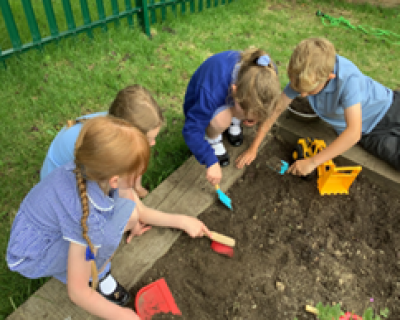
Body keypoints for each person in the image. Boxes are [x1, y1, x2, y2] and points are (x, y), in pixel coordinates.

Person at [7, 116, 211, 320]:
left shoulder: (93, 171)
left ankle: (84, 264)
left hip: (46, 228)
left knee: (127, 213)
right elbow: (77, 293)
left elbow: (138, 211)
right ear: (115, 180)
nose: (141, 175)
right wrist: (123, 315)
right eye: (138, 173)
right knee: (104, 238)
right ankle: (96, 274)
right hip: (32, 254)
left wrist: (183, 221)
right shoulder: (88, 220)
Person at [236, 37, 399, 175]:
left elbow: (353, 132)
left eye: (309, 90)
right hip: (370, 133)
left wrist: (313, 162)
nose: (303, 96)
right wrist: (254, 147)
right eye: (298, 90)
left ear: (329, 77)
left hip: (391, 107)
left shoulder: (348, 80)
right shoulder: (304, 76)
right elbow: (276, 109)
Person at [40, 84, 163, 198]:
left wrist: (137, 187)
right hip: (62, 185)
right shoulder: (101, 146)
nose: (153, 143)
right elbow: (102, 181)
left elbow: (135, 158)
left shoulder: (116, 122)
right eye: (149, 139)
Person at [182, 48, 281, 186]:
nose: (249, 120)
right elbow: (191, 129)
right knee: (221, 120)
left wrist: (254, 117)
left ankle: (234, 121)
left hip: (232, 99)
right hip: (201, 105)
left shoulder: (267, 73)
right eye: (245, 116)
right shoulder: (211, 93)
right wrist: (209, 160)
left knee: (242, 111)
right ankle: (213, 138)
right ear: (234, 91)